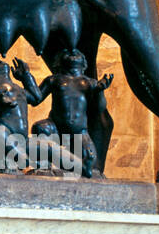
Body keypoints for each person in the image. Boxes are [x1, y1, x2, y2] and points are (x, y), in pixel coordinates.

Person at [13, 50, 113, 179]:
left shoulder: (90, 83)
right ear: (59, 62)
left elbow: (99, 108)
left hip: (79, 132)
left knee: (90, 159)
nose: (72, 52)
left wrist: (100, 91)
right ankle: (44, 166)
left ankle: (70, 165)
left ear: (83, 63)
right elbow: (35, 99)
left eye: (76, 52)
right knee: (40, 127)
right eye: (67, 51)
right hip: (55, 128)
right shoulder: (54, 80)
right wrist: (26, 77)